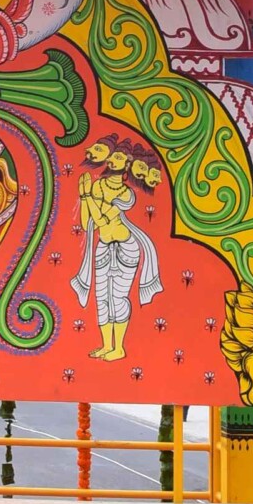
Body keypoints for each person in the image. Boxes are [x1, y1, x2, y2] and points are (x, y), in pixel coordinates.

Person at [69, 137, 163, 362]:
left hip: (125, 248)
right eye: (112, 155)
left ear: (127, 163)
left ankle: (118, 348)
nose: (112, 159)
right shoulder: (97, 186)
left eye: (118, 157)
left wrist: (87, 196)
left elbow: (102, 219)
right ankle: (106, 346)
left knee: (118, 298)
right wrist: (84, 197)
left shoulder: (127, 195)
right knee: (101, 299)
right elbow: (87, 224)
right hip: (103, 247)